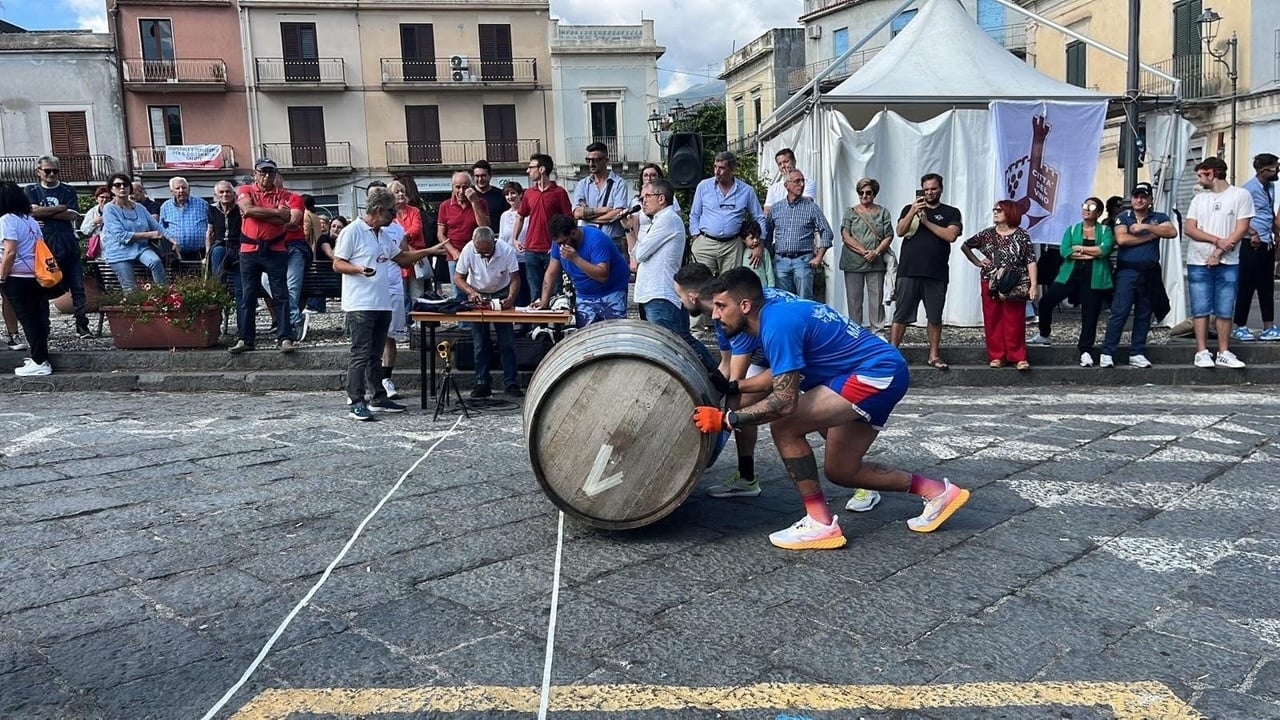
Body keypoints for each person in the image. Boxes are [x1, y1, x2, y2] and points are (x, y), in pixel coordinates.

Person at [692, 267, 968, 550]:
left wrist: (729, 419)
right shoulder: (773, 313)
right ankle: (937, 493)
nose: (714, 315)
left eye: (721, 307)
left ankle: (820, 523)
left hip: (873, 372)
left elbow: (785, 401)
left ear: (745, 305)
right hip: (880, 371)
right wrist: (736, 388)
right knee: (841, 471)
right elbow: (782, 375)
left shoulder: (777, 324)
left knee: (786, 426)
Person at [674, 262, 883, 513]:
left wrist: (717, 422)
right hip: (782, 359)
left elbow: (735, 382)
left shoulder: (739, 314)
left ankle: (859, 481)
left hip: (811, 361)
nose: (679, 302)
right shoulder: (735, 308)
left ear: (692, 296)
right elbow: (726, 365)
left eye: (679, 295)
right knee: (779, 412)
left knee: (804, 417)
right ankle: (748, 477)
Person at [331, 187, 432, 420]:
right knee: (360, 353)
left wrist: (429, 251)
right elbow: (338, 263)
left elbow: (402, 259)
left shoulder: (384, 234)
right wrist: (357, 269)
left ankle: (377, 397)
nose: (394, 216)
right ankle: (356, 399)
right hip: (360, 303)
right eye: (391, 212)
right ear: (378, 211)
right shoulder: (352, 231)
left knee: (375, 353)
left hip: (383, 301)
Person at [634, 178, 715, 370]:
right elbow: (635, 254)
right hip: (652, 293)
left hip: (661, 294)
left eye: (647, 196)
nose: (643, 201)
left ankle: (716, 379)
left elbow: (640, 253)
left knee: (679, 344)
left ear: (661, 198)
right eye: (642, 197)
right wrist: (630, 228)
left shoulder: (668, 219)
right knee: (674, 344)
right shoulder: (658, 221)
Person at [229, 157, 302, 354]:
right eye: (262, 172)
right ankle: (245, 338)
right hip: (249, 251)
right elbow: (246, 208)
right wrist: (275, 213)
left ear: (275, 174)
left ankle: (285, 337)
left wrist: (256, 212)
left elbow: (289, 218)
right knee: (248, 295)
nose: (266, 176)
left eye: (270, 172)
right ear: (255, 173)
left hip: (275, 250)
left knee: (281, 295)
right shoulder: (246, 190)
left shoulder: (286, 195)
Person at [1185, 156, 1252, 369]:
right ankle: (1202, 351)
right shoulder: (1199, 199)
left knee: (1225, 307)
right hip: (1198, 258)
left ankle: (1224, 351)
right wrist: (1216, 241)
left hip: (1229, 260)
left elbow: (1241, 228)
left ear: (1211, 173)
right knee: (1200, 306)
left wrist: (1219, 252)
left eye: (1200, 175)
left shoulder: (1240, 195)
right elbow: (1190, 229)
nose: (1198, 180)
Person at [1030, 198, 1114, 366]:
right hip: (1070, 274)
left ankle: (1085, 350)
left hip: (1094, 276)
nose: (1087, 209)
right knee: (1046, 302)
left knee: (1090, 315)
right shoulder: (1072, 229)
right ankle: (1044, 334)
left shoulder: (1105, 230)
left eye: (1092, 207)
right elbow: (1065, 251)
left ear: (1098, 212)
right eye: (1085, 205)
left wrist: (1080, 248)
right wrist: (1091, 253)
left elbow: (1105, 249)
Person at [891, 173, 962, 370]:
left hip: (936, 273)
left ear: (941, 189)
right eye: (926, 189)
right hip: (908, 271)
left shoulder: (951, 212)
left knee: (935, 316)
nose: (929, 192)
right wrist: (913, 211)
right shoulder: (909, 208)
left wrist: (927, 222)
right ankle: (892, 353)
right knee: (901, 314)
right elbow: (900, 231)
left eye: (933, 188)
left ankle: (934, 355)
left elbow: (950, 235)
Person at [1100, 182, 1176, 368]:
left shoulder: (1158, 217)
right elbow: (1122, 239)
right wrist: (1151, 236)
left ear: (1150, 199)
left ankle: (1137, 352)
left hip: (1150, 271)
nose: (1139, 200)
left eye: (1143, 196)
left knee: (1144, 313)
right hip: (1128, 270)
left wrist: (1147, 228)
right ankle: (1108, 351)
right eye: (1136, 196)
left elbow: (1172, 231)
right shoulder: (1123, 217)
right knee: (1120, 311)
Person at [961, 200, 1038, 370]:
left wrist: (1033, 285)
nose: (995, 212)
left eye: (999, 210)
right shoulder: (987, 234)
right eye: (994, 210)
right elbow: (966, 245)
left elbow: (1031, 260)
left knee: (1015, 319)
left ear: (1009, 213)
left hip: (1014, 281)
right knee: (992, 318)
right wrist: (978, 262)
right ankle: (997, 355)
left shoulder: (1022, 235)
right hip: (991, 281)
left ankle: (1018, 356)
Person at [25, 155, 91, 339]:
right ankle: (44, 328)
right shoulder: (31, 190)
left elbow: (72, 215)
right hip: (44, 246)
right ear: (38, 172)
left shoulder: (68, 189)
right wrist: (59, 209)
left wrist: (43, 213)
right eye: (47, 171)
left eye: (55, 171)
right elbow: (31, 211)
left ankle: (82, 326)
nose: (51, 174)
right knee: (43, 286)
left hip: (68, 243)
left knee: (77, 287)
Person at [454, 226, 522, 397]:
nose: (483, 255)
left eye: (487, 251)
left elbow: (515, 278)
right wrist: (471, 292)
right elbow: (458, 277)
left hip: (501, 291)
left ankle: (511, 382)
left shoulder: (506, 250)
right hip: (477, 291)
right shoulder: (469, 249)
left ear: (494, 243)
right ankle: (482, 381)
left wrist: (511, 298)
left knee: (507, 341)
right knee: (480, 342)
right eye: (480, 251)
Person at [689, 152, 768, 288]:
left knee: (730, 285)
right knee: (701, 285)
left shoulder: (746, 190)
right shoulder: (703, 186)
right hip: (705, 242)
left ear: (733, 169)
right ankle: (704, 310)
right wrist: (696, 237)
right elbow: (694, 214)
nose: (717, 172)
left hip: (732, 245)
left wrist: (760, 244)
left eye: (722, 168)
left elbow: (759, 217)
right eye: (715, 167)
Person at [536, 214, 629, 327]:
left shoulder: (596, 240)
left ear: (574, 233)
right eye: (558, 243)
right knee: (587, 336)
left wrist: (576, 259)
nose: (561, 247)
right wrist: (544, 302)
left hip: (611, 291)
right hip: (584, 295)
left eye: (563, 242)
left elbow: (603, 275)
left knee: (613, 334)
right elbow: (551, 273)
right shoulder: (559, 243)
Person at [0, 182, 54, 376]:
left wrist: (2, 276)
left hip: (17, 276)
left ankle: (40, 361)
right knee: (37, 318)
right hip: (35, 274)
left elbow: (10, 252)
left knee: (28, 319)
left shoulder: (7, 220)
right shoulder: (29, 219)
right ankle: (40, 357)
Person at [1233, 153, 1280, 341]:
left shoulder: (1271, 187)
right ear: (1263, 170)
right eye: (1275, 167)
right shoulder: (1248, 190)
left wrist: (1275, 233)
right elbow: (1238, 216)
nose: (1278, 170)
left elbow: (1268, 213)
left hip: (1266, 242)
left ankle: (1269, 326)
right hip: (1251, 242)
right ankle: (1240, 326)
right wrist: (1252, 233)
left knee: (1266, 286)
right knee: (1246, 285)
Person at [514, 153, 573, 303]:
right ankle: (538, 326)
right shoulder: (529, 193)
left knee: (556, 292)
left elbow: (569, 220)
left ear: (541, 169)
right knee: (535, 293)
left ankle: (555, 326)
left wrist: (561, 244)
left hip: (551, 250)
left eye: (531, 167)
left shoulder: (559, 193)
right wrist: (515, 239)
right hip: (532, 250)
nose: (528, 171)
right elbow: (520, 216)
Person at [766, 169, 832, 300]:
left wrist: (819, 257)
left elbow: (827, 232)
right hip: (781, 262)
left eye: (803, 181)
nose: (801, 184)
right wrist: (768, 256)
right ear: (787, 185)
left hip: (803, 261)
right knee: (784, 301)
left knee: (805, 301)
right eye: (797, 181)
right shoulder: (776, 208)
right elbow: (767, 233)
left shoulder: (811, 208)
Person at [840, 177, 894, 331]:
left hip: (875, 263)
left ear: (874, 193)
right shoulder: (850, 212)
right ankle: (855, 332)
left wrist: (876, 252)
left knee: (876, 300)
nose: (864, 195)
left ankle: (877, 331)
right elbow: (845, 235)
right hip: (853, 262)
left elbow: (889, 235)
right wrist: (865, 252)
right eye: (861, 193)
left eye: (868, 192)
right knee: (854, 300)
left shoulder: (883, 212)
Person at [101, 172, 169, 292]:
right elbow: (121, 236)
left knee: (155, 261)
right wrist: (150, 235)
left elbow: (157, 227)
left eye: (125, 184)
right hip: (119, 252)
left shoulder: (139, 207)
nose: (122, 187)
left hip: (140, 248)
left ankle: (164, 295)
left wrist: (173, 241)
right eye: (117, 185)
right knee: (130, 289)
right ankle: (133, 308)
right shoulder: (109, 209)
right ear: (111, 189)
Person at [573, 141, 631, 259]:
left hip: (611, 241)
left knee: (614, 276)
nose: (591, 164)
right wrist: (602, 210)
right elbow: (577, 213)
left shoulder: (619, 184)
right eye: (588, 160)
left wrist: (588, 216)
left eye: (596, 160)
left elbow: (617, 214)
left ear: (606, 160)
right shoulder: (582, 185)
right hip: (588, 241)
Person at [437, 171, 490, 294]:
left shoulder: (481, 202)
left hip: (476, 254)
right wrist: (453, 252)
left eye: (465, 187)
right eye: (458, 187)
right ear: (453, 187)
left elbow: (485, 227)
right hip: (455, 254)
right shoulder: (445, 206)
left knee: (479, 290)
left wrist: (474, 203)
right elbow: (441, 234)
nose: (461, 191)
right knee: (458, 292)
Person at [626, 163, 681, 269]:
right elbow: (635, 227)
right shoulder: (636, 201)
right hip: (642, 242)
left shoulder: (668, 214)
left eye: (653, 175)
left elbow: (677, 219)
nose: (649, 178)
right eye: (645, 175)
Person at [498, 181, 532, 311]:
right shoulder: (504, 216)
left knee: (526, 292)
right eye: (507, 194)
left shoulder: (528, 215)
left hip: (525, 259)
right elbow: (502, 239)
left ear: (520, 194)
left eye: (513, 193)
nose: (510, 197)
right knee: (512, 294)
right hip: (510, 262)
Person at [159, 176, 209, 262]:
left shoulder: (203, 204)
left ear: (189, 189)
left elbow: (211, 225)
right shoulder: (165, 207)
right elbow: (162, 230)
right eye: (177, 188)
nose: (181, 190)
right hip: (176, 256)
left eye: (184, 187)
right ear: (172, 191)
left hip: (201, 254)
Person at [763, 148, 815, 216]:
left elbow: (806, 204)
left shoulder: (807, 183)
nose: (783, 166)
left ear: (794, 162)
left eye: (786, 162)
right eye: (779, 164)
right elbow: (767, 212)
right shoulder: (773, 189)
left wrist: (777, 210)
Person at [471, 160, 506, 232]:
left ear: (490, 176)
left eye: (483, 176)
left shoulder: (501, 195)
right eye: (477, 176)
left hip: (494, 237)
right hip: (470, 239)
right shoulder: (467, 194)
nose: (480, 179)